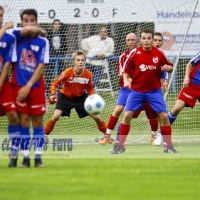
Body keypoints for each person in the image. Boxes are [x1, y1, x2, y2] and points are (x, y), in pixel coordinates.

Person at [111, 29, 177, 154]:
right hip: (136, 91)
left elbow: (169, 67)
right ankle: (120, 145)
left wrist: (169, 69)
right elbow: (125, 71)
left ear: (152, 40)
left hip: (154, 92)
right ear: (140, 40)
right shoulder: (134, 53)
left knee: (163, 116)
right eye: (144, 38)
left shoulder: (159, 53)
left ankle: (168, 146)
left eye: (149, 38)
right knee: (127, 115)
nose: (146, 41)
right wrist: (126, 80)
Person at [11, 9, 49, 167]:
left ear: (36, 21)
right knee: (24, 122)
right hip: (18, 87)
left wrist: (28, 86)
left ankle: (38, 158)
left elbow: (41, 67)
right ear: (21, 22)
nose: (28, 23)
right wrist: (39, 29)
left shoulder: (43, 42)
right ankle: (25, 158)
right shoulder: (15, 37)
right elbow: (24, 30)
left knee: (38, 122)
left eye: (32, 20)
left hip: (35, 88)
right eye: (25, 20)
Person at [44, 50, 108, 140]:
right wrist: (53, 94)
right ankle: (43, 135)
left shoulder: (88, 74)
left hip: (80, 97)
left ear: (85, 61)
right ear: (74, 61)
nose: (80, 62)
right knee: (56, 116)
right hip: (65, 96)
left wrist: (92, 97)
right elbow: (55, 84)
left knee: (96, 116)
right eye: (78, 60)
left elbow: (90, 88)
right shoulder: (67, 72)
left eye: (82, 60)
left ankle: (107, 135)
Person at [0, 6, 20, 168]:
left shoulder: (9, 38)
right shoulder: (5, 31)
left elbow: (8, 63)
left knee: (13, 115)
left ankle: (13, 154)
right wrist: (6, 26)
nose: (0, 18)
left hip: (3, 83)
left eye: (1, 16)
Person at [167, 51, 200, 130]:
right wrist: (186, 77)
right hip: (192, 85)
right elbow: (190, 64)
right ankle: (161, 134)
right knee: (177, 108)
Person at [46, 19, 67, 97]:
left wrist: (63, 54)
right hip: (51, 57)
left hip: (60, 56)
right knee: (49, 74)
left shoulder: (63, 34)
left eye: (58, 24)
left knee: (61, 75)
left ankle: (60, 92)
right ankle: (48, 92)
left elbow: (65, 46)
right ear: (53, 25)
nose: (57, 25)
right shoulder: (49, 34)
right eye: (55, 24)